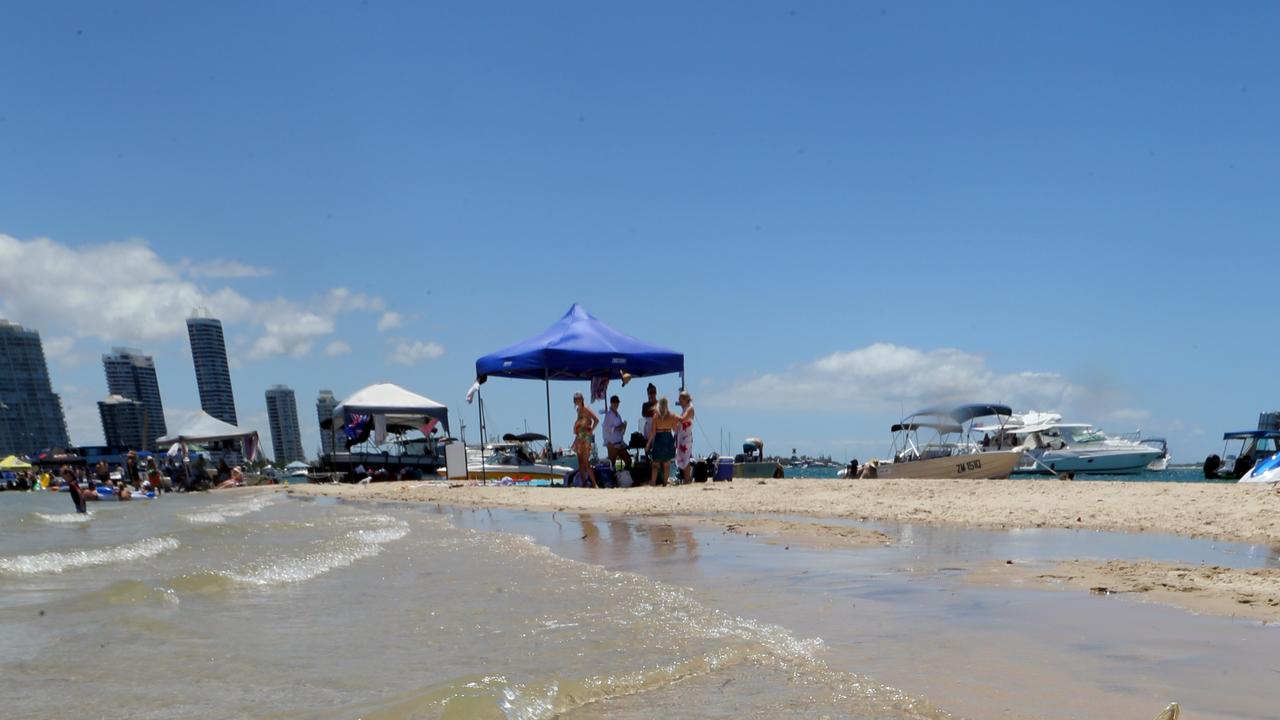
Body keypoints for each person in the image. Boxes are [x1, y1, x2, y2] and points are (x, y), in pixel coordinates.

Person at [647, 397, 680, 486]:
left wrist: (648, 444)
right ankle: (665, 483)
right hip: (668, 437)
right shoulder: (672, 415)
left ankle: (653, 482)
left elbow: (653, 432)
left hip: (659, 438)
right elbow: (675, 429)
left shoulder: (656, 417)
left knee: (655, 464)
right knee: (666, 464)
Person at [571, 392, 599, 488]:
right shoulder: (578, 410)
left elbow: (596, 420)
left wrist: (591, 430)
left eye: (578, 399)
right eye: (575, 399)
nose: (577, 401)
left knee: (586, 461)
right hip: (580, 437)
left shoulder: (586, 409)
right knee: (580, 462)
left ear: (582, 399)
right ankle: (584, 483)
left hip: (585, 437)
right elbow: (579, 428)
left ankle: (594, 484)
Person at [603, 395, 631, 471]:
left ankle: (624, 477)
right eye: (614, 403)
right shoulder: (609, 415)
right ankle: (612, 480)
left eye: (617, 403)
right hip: (612, 443)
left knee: (628, 460)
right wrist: (619, 427)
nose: (616, 404)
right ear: (611, 403)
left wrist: (624, 426)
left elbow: (621, 431)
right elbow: (607, 428)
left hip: (619, 442)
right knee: (612, 463)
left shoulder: (618, 415)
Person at [674, 391, 696, 484]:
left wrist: (673, 416)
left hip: (686, 437)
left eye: (680, 399)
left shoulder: (690, 408)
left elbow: (683, 419)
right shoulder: (685, 409)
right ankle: (686, 478)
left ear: (685, 399)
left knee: (686, 458)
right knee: (682, 458)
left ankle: (687, 479)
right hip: (682, 436)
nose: (679, 401)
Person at [640, 383, 658, 454]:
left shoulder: (659, 403)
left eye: (654, 392)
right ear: (647, 393)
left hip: (657, 428)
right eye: (650, 392)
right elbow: (643, 414)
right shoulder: (645, 404)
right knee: (647, 448)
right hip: (648, 428)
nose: (652, 394)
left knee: (656, 448)